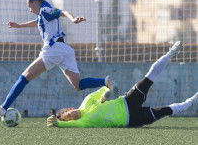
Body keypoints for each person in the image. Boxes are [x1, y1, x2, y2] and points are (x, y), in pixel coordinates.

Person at [0, 0, 117, 117]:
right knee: (78, 85)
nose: (30, 10)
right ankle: (105, 81)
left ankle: (3, 108)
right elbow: (37, 22)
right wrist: (19, 25)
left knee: (24, 77)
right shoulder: (43, 13)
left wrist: (72, 19)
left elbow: (63, 12)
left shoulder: (45, 10)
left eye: (29, 6)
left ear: (35, 2)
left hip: (53, 50)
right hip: (65, 50)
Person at [47, 41, 198, 128]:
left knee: (148, 78)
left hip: (126, 101)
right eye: (70, 120)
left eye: (68, 115)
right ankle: (193, 100)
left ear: (70, 109)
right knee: (165, 110)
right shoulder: (83, 122)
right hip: (132, 120)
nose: (72, 118)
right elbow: (68, 126)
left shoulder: (87, 102)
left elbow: (106, 87)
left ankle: (172, 51)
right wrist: (57, 124)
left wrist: (108, 91)